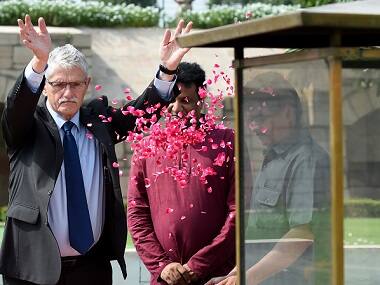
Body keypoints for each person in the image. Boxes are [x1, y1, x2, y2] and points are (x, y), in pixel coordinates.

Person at [0, 14, 192, 285]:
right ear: (45, 86)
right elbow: (16, 109)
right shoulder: (27, 128)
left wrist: (167, 70)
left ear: (87, 85)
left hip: (91, 267)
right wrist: (39, 61)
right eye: (58, 84)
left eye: (75, 84)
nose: (68, 92)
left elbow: (139, 115)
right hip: (33, 269)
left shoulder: (98, 120)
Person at [206, 71, 330, 285]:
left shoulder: (306, 159)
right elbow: (259, 236)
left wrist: (244, 279)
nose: (253, 127)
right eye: (251, 119)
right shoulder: (273, 156)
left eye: (261, 118)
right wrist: (234, 275)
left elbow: (301, 234)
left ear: (288, 114)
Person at [127, 62, 236, 285]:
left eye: (185, 101)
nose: (176, 109)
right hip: (166, 278)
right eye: (171, 101)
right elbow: (137, 213)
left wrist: (199, 265)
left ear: (202, 97)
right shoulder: (147, 147)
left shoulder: (226, 141)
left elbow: (238, 211)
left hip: (217, 276)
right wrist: (161, 265)